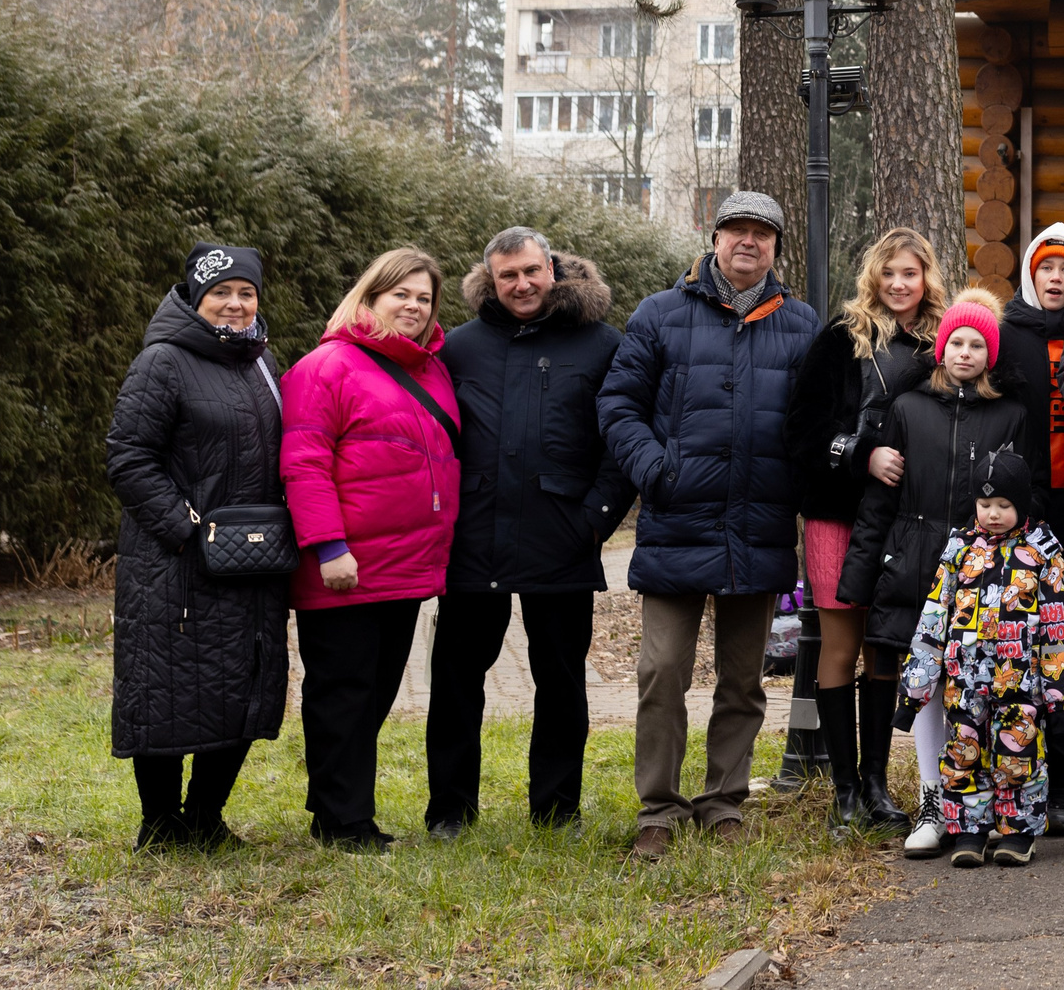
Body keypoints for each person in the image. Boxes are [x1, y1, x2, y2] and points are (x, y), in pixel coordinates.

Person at [598, 192, 816, 860]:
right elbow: (618, 403)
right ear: (714, 237)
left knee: (743, 679)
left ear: (775, 246)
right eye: (736, 229)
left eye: (762, 233)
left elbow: (814, 422)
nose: (748, 241)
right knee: (662, 670)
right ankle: (659, 808)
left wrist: (793, 486)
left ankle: (724, 801)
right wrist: (654, 469)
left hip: (758, 525)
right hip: (676, 520)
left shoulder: (801, 324)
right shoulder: (659, 314)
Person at [427, 230, 632, 837]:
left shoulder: (602, 344)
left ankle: (557, 809)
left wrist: (595, 518)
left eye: (530, 272)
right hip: (474, 538)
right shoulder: (458, 348)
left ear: (553, 270)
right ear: (490, 281)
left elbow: (621, 439)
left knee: (561, 681)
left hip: (562, 536)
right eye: (507, 276)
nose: (521, 285)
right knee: (455, 681)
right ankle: (450, 811)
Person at [106, 242, 292, 850]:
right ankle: (161, 823)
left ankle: (207, 817)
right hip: (175, 563)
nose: (235, 304)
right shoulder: (162, 361)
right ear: (194, 298)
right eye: (221, 293)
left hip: (251, 562)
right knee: (165, 687)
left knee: (242, 685)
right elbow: (129, 458)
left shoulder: (262, 363)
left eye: (246, 293)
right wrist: (186, 531)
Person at [839, 289, 1032, 858]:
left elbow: (1026, 499)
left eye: (977, 345)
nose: (965, 353)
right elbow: (879, 502)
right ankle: (933, 800)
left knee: (976, 688)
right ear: (941, 348)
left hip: (984, 573)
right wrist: (860, 577)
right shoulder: (907, 408)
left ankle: (979, 802)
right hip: (916, 564)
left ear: (990, 356)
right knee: (926, 682)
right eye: (956, 342)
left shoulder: (1010, 416)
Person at [280, 247, 461, 851]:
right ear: (370, 297)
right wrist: (328, 546)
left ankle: (338, 806)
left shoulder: (431, 371)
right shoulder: (325, 367)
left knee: (375, 692)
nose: (413, 306)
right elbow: (304, 464)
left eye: (424, 298)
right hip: (346, 565)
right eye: (400, 294)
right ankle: (343, 822)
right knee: (342, 693)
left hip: (405, 565)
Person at [787, 228, 947, 835]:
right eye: (890, 273)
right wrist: (860, 454)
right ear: (873, 277)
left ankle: (877, 785)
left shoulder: (938, 345)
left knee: (885, 646)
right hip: (836, 511)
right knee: (839, 644)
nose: (899, 284)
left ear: (926, 279)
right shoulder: (842, 337)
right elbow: (802, 430)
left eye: (911, 273)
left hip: (903, 520)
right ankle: (845, 791)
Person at [895, 447, 1064, 869]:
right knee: (963, 750)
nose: (993, 513)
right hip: (965, 682)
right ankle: (969, 830)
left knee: (1018, 755)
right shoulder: (959, 549)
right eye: (985, 504)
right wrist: (914, 690)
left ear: (1023, 504)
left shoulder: (1042, 550)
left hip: (1021, 683)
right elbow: (934, 619)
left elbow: (1060, 627)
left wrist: (1060, 696)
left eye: (1004, 505)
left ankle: (1017, 831)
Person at [993, 224, 1064, 837]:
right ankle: (1012, 781)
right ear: (1031, 275)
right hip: (1021, 517)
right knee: (1013, 647)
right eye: (1046, 268)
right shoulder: (1005, 337)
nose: (1055, 279)